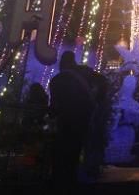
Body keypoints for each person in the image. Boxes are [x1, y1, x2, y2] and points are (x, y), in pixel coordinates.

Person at [49, 51, 94, 193]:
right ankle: (72, 181)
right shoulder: (80, 78)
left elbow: (54, 104)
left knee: (61, 151)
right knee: (74, 152)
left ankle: (59, 181)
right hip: (79, 121)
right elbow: (89, 100)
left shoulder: (57, 80)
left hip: (64, 121)